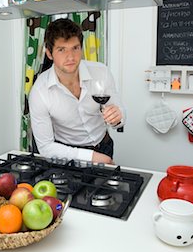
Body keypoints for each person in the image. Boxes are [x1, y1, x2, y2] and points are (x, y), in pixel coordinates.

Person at [29, 18, 125, 165]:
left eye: (75, 48)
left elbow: (118, 113)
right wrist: (92, 157)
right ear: (49, 53)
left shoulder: (101, 72)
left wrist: (118, 117)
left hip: (104, 146)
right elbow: (46, 147)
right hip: (67, 154)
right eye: (62, 50)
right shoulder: (39, 91)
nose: (71, 57)